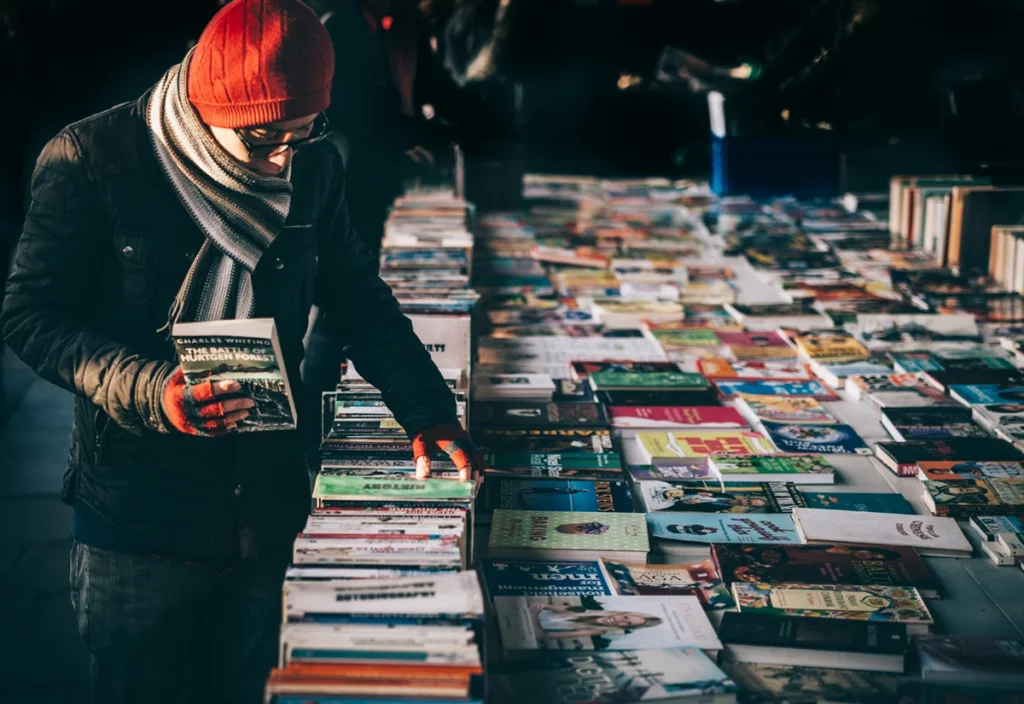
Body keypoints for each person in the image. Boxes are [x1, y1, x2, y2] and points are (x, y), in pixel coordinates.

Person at [0, 1, 482, 702]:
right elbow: (31, 316)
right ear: (207, 107)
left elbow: (356, 296)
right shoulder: (92, 160)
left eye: (304, 130)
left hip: (267, 502)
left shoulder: (311, 165)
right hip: (139, 518)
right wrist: (152, 388)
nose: (285, 158)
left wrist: (427, 409)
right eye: (263, 141)